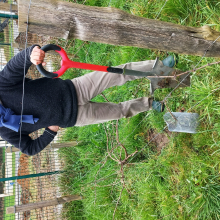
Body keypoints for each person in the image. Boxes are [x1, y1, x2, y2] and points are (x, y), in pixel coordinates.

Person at [0, 45, 174, 156]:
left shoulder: (2, 86)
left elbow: (16, 64)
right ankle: (149, 104)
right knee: (120, 111)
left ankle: (159, 68)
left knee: (117, 73)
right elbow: (29, 148)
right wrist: (50, 132)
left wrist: (31, 54)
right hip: (76, 117)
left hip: (75, 88)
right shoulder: (5, 130)